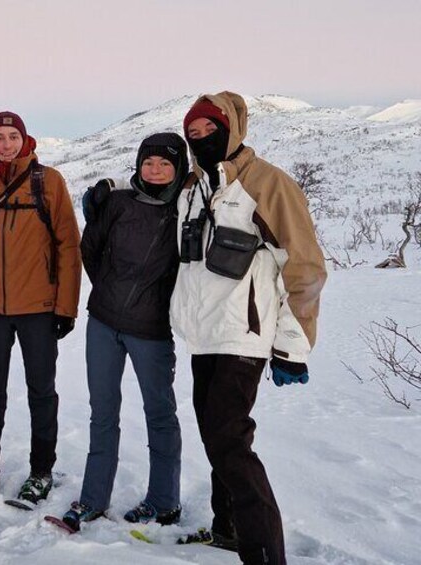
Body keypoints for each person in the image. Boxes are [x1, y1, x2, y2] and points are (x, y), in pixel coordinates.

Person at [172, 92, 327, 564]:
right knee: (218, 436)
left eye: (209, 131)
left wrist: (293, 345)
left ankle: (263, 554)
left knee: (229, 440)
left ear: (232, 128)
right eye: (193, 134)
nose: (201, 140)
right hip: (204, 335)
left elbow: (304, 267)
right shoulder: (194, 188)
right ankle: (228, 529)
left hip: (246, 335)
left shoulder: (268, 183)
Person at [0, 111, 81, 502]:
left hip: (38, 307)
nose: (6, 144)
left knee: (42, 390)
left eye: (12, 137)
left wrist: (66, 306)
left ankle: (41, 471)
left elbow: (68, 243)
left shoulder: (48, 181)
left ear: (25, 139)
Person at [60, 133, 190, 532]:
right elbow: (90, 247)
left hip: (150, 331)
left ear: (178, 168)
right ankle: (93, 499)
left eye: (164, 164)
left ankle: (164, 501)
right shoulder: (118, 202)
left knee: (160, 414)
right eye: (148, 163)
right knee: (103, 412)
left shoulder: (184, 211)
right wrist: (109, 290)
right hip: (103, 322)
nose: (154, 170)